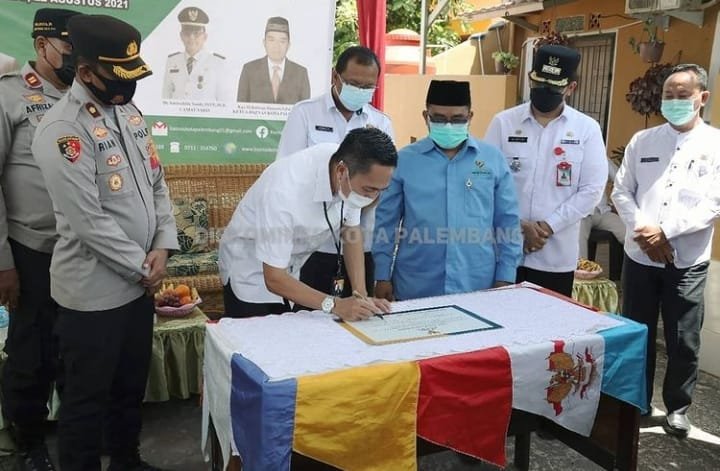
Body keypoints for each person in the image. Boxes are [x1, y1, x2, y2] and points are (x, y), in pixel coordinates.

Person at [31, 14, 178, 471]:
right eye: (117, 76)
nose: (127, 86)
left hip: (137, 287)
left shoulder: (129, 112)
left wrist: (163, 245)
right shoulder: (63, 130)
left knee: (129, 388)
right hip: (92, 296)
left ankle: (127, 460)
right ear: (86, 71)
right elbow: (88, 221)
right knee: (85, 401)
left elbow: (157, 182)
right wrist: (142, 264)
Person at [612, 64, 720, 437]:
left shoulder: (716, 145)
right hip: (640, 257)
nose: (673, 101)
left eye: (682, 95)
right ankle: (638, 400)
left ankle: (678, 406)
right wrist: (645, 232)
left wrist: (666, 232)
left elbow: (713, 203)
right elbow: (621, 191)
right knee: (638, 331)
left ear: (702, 98)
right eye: (668, 95)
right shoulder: (643, 141)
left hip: (686, 261)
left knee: (683, 337)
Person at [0, 9, 81, 470]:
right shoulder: (10, 96)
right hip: (29, 250)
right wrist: (2, 260)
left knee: (74, 352)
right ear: (42, 46)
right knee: (30, 357)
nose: (73, 56)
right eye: (67, 47)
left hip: (81, 251)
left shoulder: (86, 98)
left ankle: (76, 439)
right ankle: (29, 445)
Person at [219, 128, 395, 321]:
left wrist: (361, 297)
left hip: (291, 271)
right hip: (251, 276)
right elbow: (273, 277)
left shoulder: (350, 169)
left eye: (380, 190)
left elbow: (351, 231)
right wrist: (335, 305)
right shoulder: (283, 191)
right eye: (369, 190)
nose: (373, 198)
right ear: (342, 172)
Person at [373, 80, 522, 301]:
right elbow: (386, 220)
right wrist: (382, 274)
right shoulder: (404, 160)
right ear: (426, 117)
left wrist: (506, 274)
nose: (449, 126)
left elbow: (508, 221)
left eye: (458, 119)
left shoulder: (492, 159)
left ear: (470, 117)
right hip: (416, 283)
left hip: (477, 283)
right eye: (440, 119)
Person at [484, 45, 607, 297]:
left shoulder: (587, 129)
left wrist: (547, 226)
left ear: (570, 87)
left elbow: (592, 190)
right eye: (538, 83)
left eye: (553, 86)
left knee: (549, 329)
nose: (544, 91)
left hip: (555, 255)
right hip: (504, 252)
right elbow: (485, 181)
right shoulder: (503, 122)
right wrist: (520, 226)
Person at [276, 46, 393, 304]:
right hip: (312, 246)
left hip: (358, 245)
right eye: (353, 84)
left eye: (367, 87)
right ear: (335, 76)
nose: (360, 91)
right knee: (308, 321)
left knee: (359, 312)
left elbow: (380, 184)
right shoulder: (305, 113)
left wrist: (358, 200)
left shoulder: (381, 123)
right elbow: (287, 178)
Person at [162, 6, 233, 101]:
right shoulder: (172, 61)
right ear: (181, 36)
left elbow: (224, 101)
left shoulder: (218, 63)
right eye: (187, 33)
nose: (191, 38)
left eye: (196, 33)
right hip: (177, 115)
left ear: (205, 36)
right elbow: (166, 97)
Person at [236, 16, 310, 104]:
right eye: (271, 40)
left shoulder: (300, 73)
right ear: (264, 43)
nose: (276, 46)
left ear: (289, 45)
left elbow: (305, 111)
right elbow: (239, 109)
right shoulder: (249, 70)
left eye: (282, 41)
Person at [578, 159, 626, 258]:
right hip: (581, 213)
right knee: (578, 241)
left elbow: (621, 181)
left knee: (629, 234)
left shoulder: (603, 157)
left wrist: (618, 205)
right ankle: (582, 271)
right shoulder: (570, 156)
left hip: (603, 211)